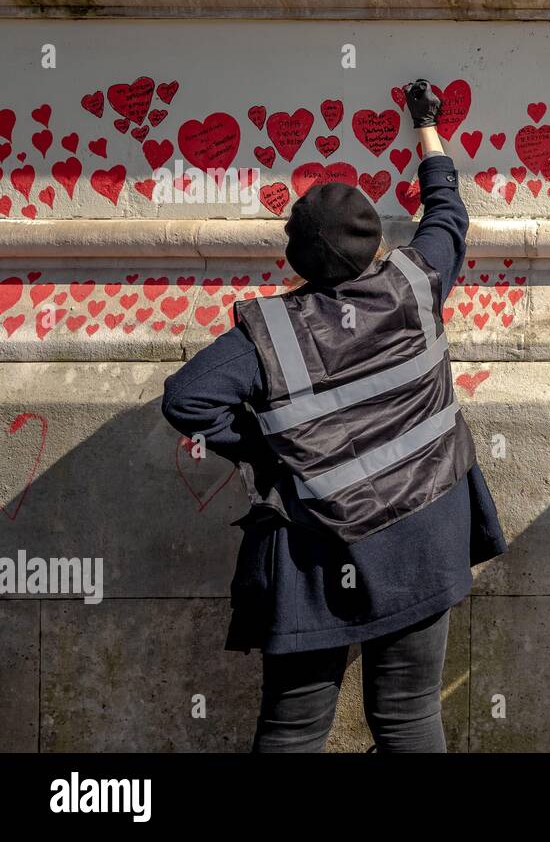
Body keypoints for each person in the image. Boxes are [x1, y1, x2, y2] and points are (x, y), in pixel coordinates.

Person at [162, 79, 506, 753]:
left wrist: (270, 451)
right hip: (425, 531)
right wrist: (425, 128)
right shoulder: (415, 281)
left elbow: (185, 400)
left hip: (320, 551)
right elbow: (447, 214)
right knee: (408, 718)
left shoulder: (269, 333)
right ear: (374, 240)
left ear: (295, 256)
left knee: (294, 729)